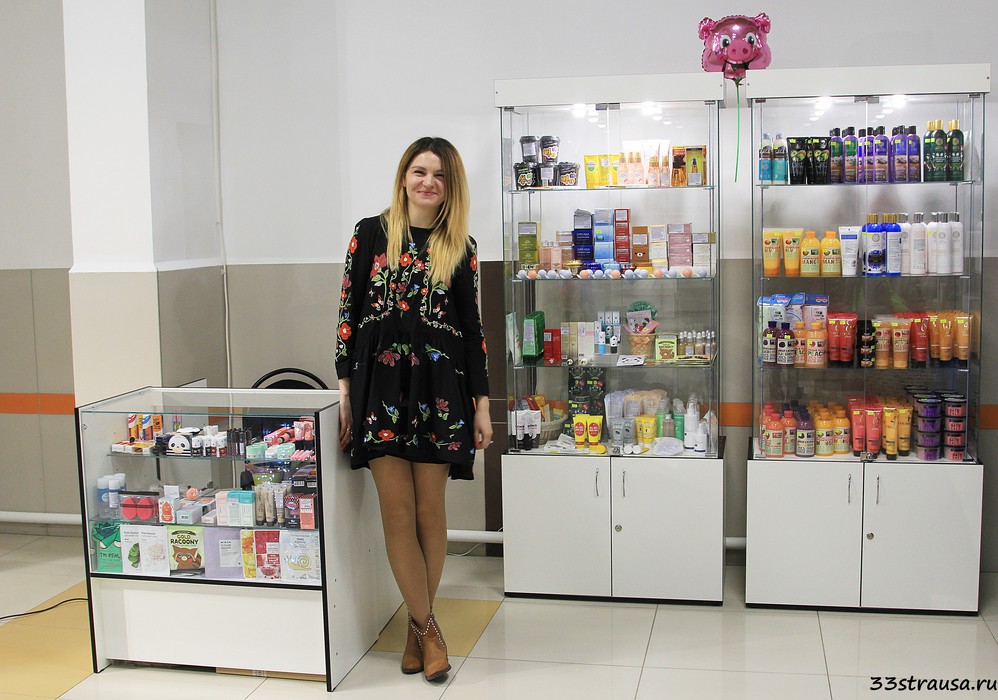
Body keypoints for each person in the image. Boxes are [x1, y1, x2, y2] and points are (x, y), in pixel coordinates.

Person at [335, 136, 491, 682]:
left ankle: (417, 626)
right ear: (404, 176)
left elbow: (472, 330)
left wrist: (482, 404)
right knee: (396, 512)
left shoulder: (460, 246)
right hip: (378, 389)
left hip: (441, 392)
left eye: (440, 176)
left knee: (430, 512)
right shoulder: (369, 233)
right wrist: (344, 391)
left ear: (451, 187)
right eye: (420, 171)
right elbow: (348, 312)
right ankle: (428, 629)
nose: (429, 182)